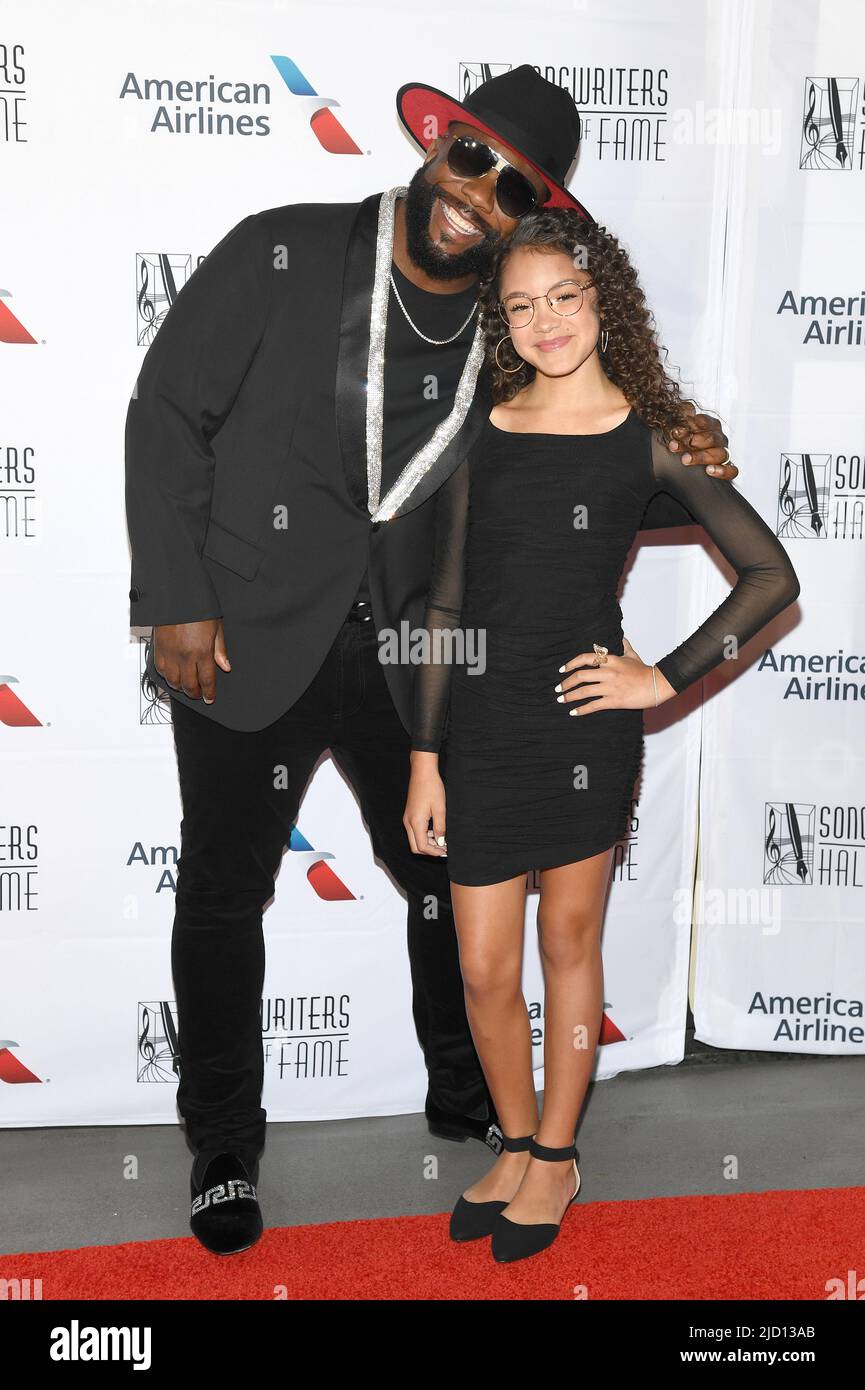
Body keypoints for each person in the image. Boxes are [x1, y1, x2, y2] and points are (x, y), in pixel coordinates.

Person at [125, 64, 737, 1256]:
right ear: (435, 146)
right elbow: (164, 410)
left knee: (445, 884)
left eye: (511, 188)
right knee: (221, 893)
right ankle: (221, 1143)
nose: (477, 195)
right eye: (471, 158)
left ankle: (477, 1109)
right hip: (246, 636)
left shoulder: (507, 331)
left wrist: (683, 444)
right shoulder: (282, 250)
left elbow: (563, 469)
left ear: (527, 217)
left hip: (419, 657)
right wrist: (178, 597)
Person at [404, 208, 800, 1264]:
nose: (544, 322)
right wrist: (424, 756)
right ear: (503, 320)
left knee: (565, 944)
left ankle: (559, 1153)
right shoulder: (479, 427)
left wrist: (661, 679)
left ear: (600, 301)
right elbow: (445, 604)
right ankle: (518, 1135)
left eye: (563, 298)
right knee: (483, 966)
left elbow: (772, 580)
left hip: (583, 725)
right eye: (521, 306)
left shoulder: (653, 438)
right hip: (479, 729)